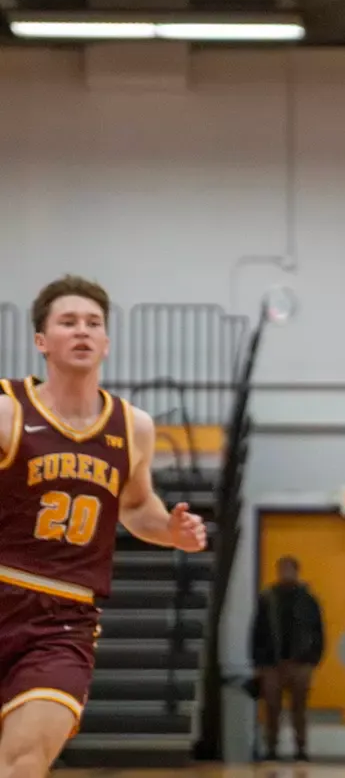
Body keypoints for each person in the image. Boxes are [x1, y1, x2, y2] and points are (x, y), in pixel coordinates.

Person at [0, 276, 208, 778]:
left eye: (93, 323)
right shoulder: (7, 408)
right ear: (41, 341)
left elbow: (137, 508)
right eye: (68, 322)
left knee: (23, 762)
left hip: (63, 620)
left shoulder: (132, 426)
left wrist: (171, 531)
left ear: (107, 342)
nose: (82, 332)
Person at [250, 554, 327, 762]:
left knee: (299, 709)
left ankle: (301, 748)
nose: (285, 573)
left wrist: (313, 659)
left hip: (300, 663)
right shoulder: (267, 599)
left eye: (289, 569)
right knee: (271, 709)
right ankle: (271, 748)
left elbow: (318, 631)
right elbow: (257, 631)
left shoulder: (308, 599)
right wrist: (258, 663)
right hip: (272, 663)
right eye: (282, 569)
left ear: (296, 571)